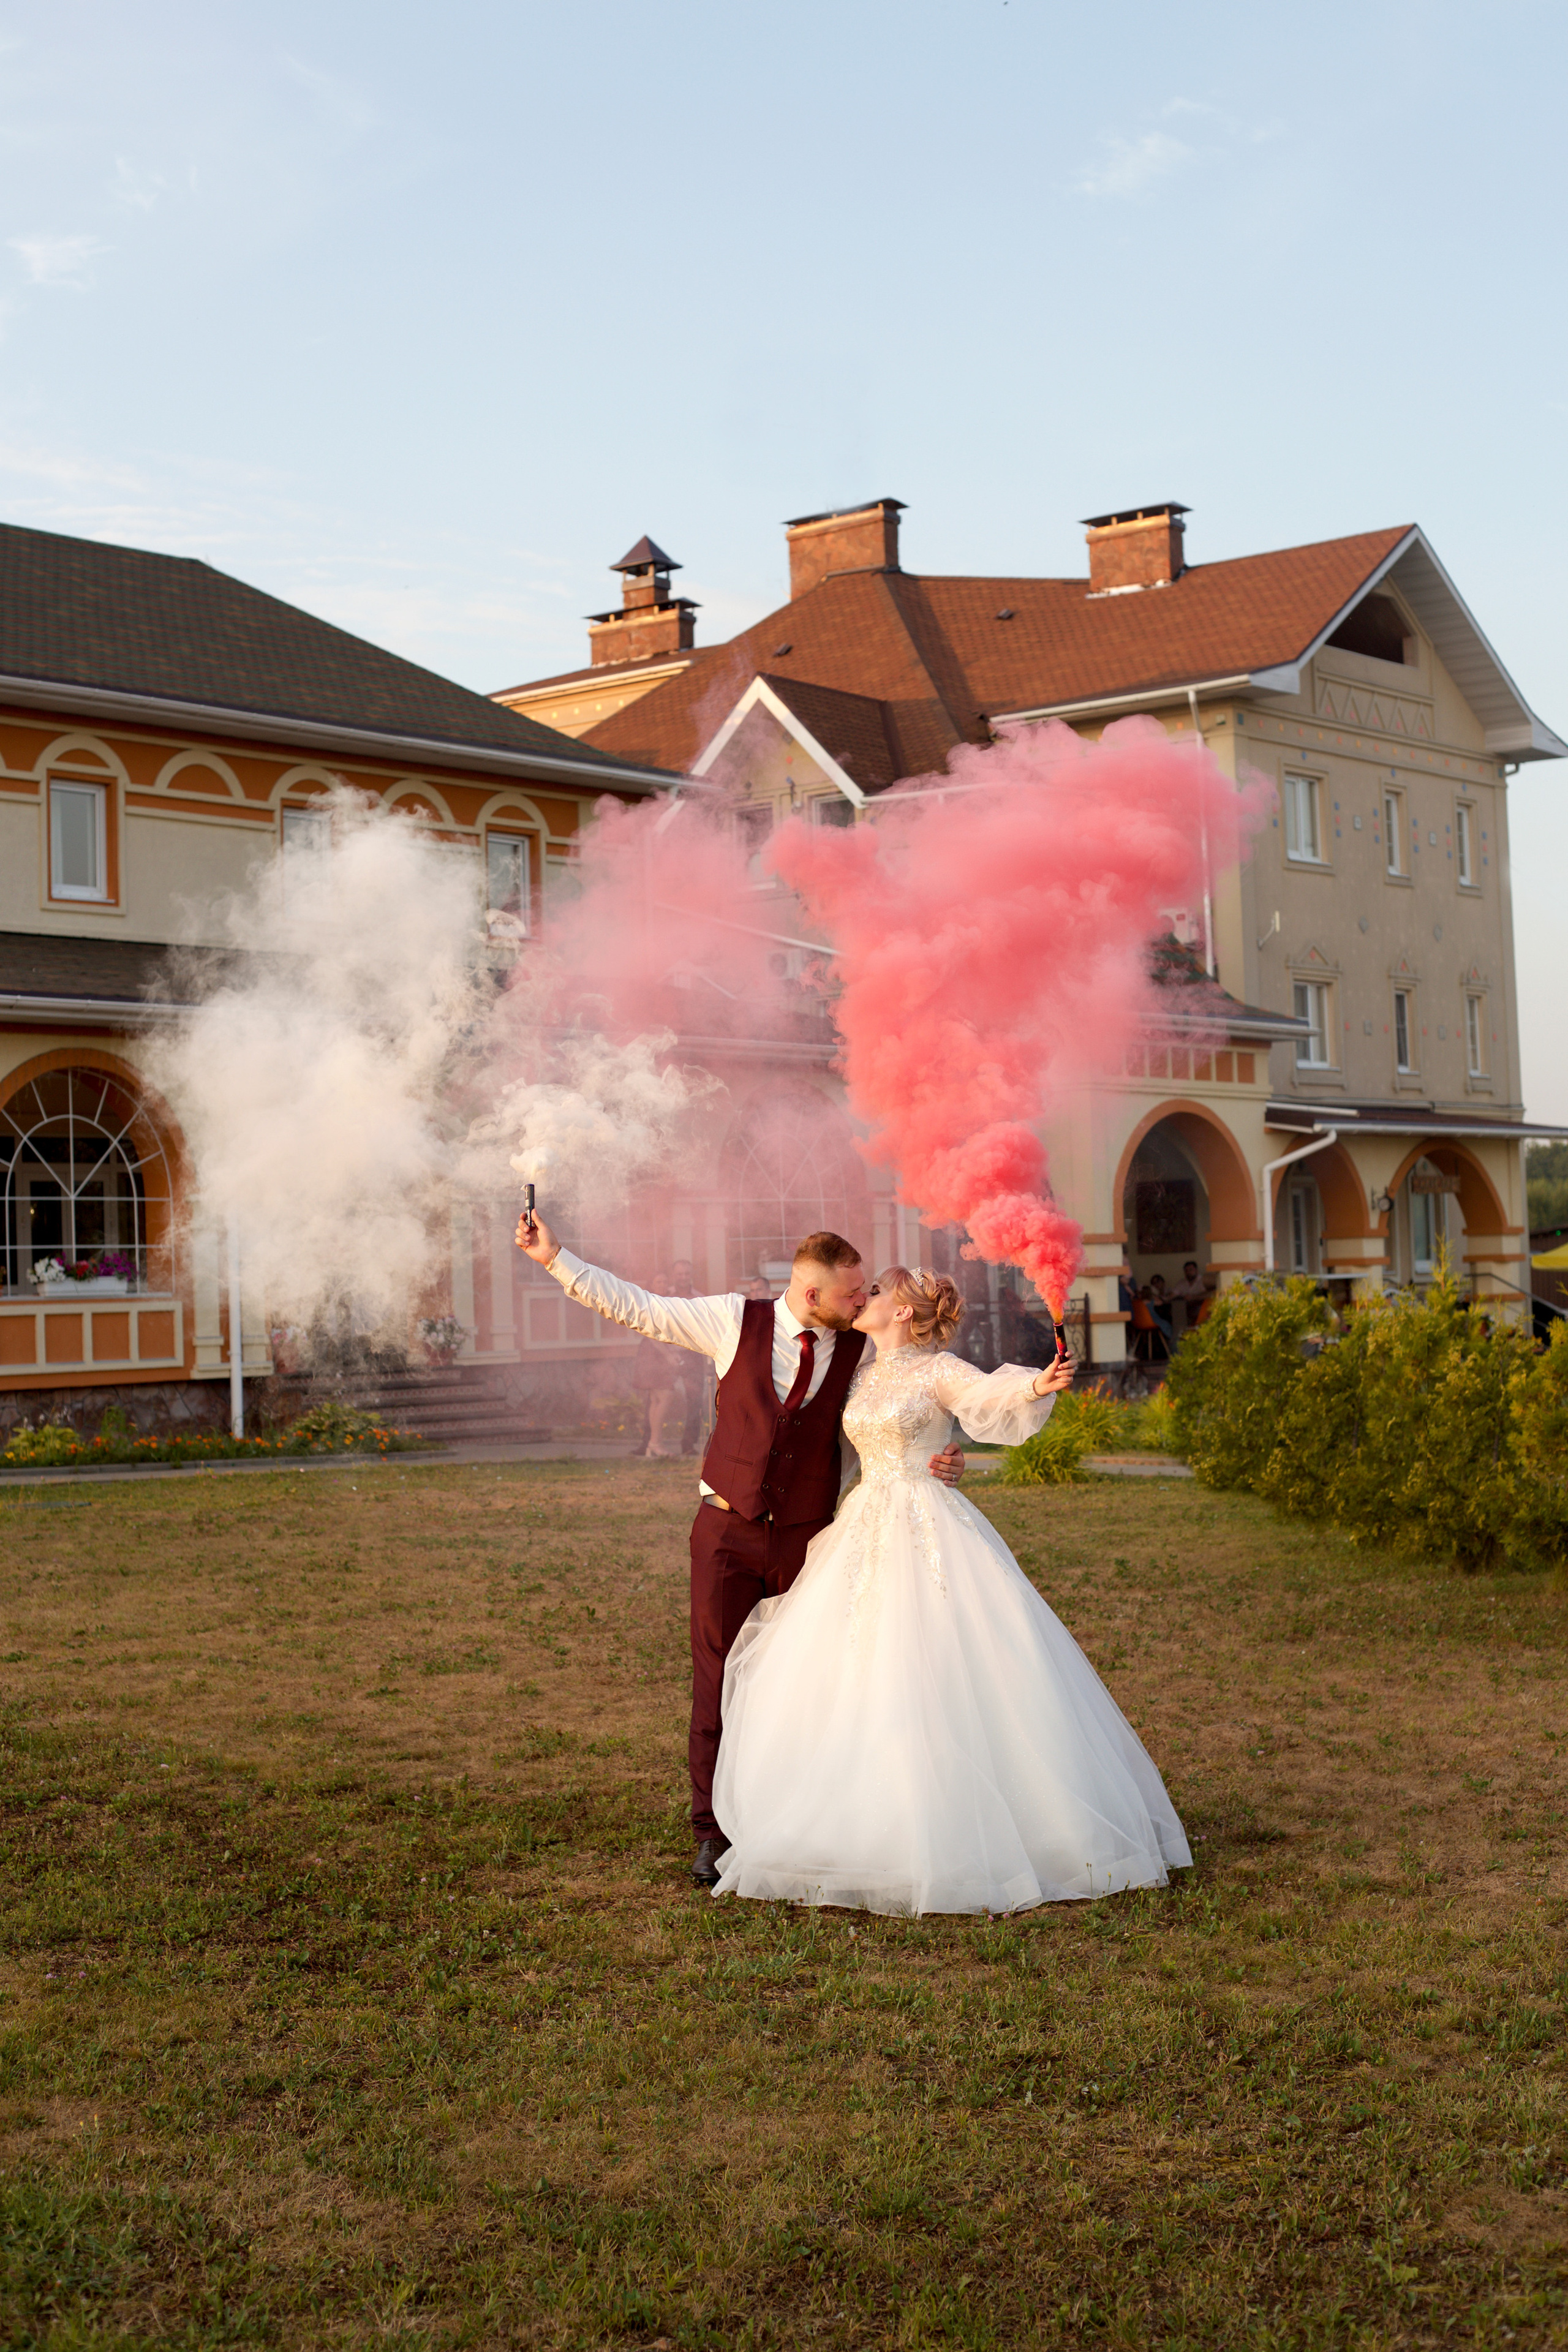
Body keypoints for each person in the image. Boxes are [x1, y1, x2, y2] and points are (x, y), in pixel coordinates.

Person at [710, 1268, 1191, 1915]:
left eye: (877, 1291)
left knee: (937, 1658)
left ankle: (969, 1818)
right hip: (863, 1524)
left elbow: (984, 1393)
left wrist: (1036, 1383)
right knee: (854, 1662)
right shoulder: (861, 1370)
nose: (865, 1298)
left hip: (926, 1523)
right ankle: (860, 1807)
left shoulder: (934, 1369)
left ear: (905, 1313)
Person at [514, 1209, 967, 1886]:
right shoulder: (734, 1320)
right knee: (718, 1679)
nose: (864, 1299)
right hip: (725, 1534)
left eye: (867, 1290)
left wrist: (943, 1458)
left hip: (809, 1541)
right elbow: (641, 1309)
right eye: (853, 1292)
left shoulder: (860, 1349)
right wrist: (556, 1259)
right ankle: (713, 1834)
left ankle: (791, 1815)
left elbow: (908, 1407)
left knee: (804, 1682)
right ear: (812, 1294)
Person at [1169, 1261, 1209, 1334]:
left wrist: (1193, 1297)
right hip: (1185, 1310)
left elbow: (1208, 1294)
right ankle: (1180, 1336)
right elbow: (1172, 1295)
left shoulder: (1204, 1280)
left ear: (1196, 1270)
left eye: (1191, 1270)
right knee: (1174, 1311)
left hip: (1201, 1309)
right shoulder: (1182, 1283)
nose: (1188, 1272)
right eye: (1186, 1271)